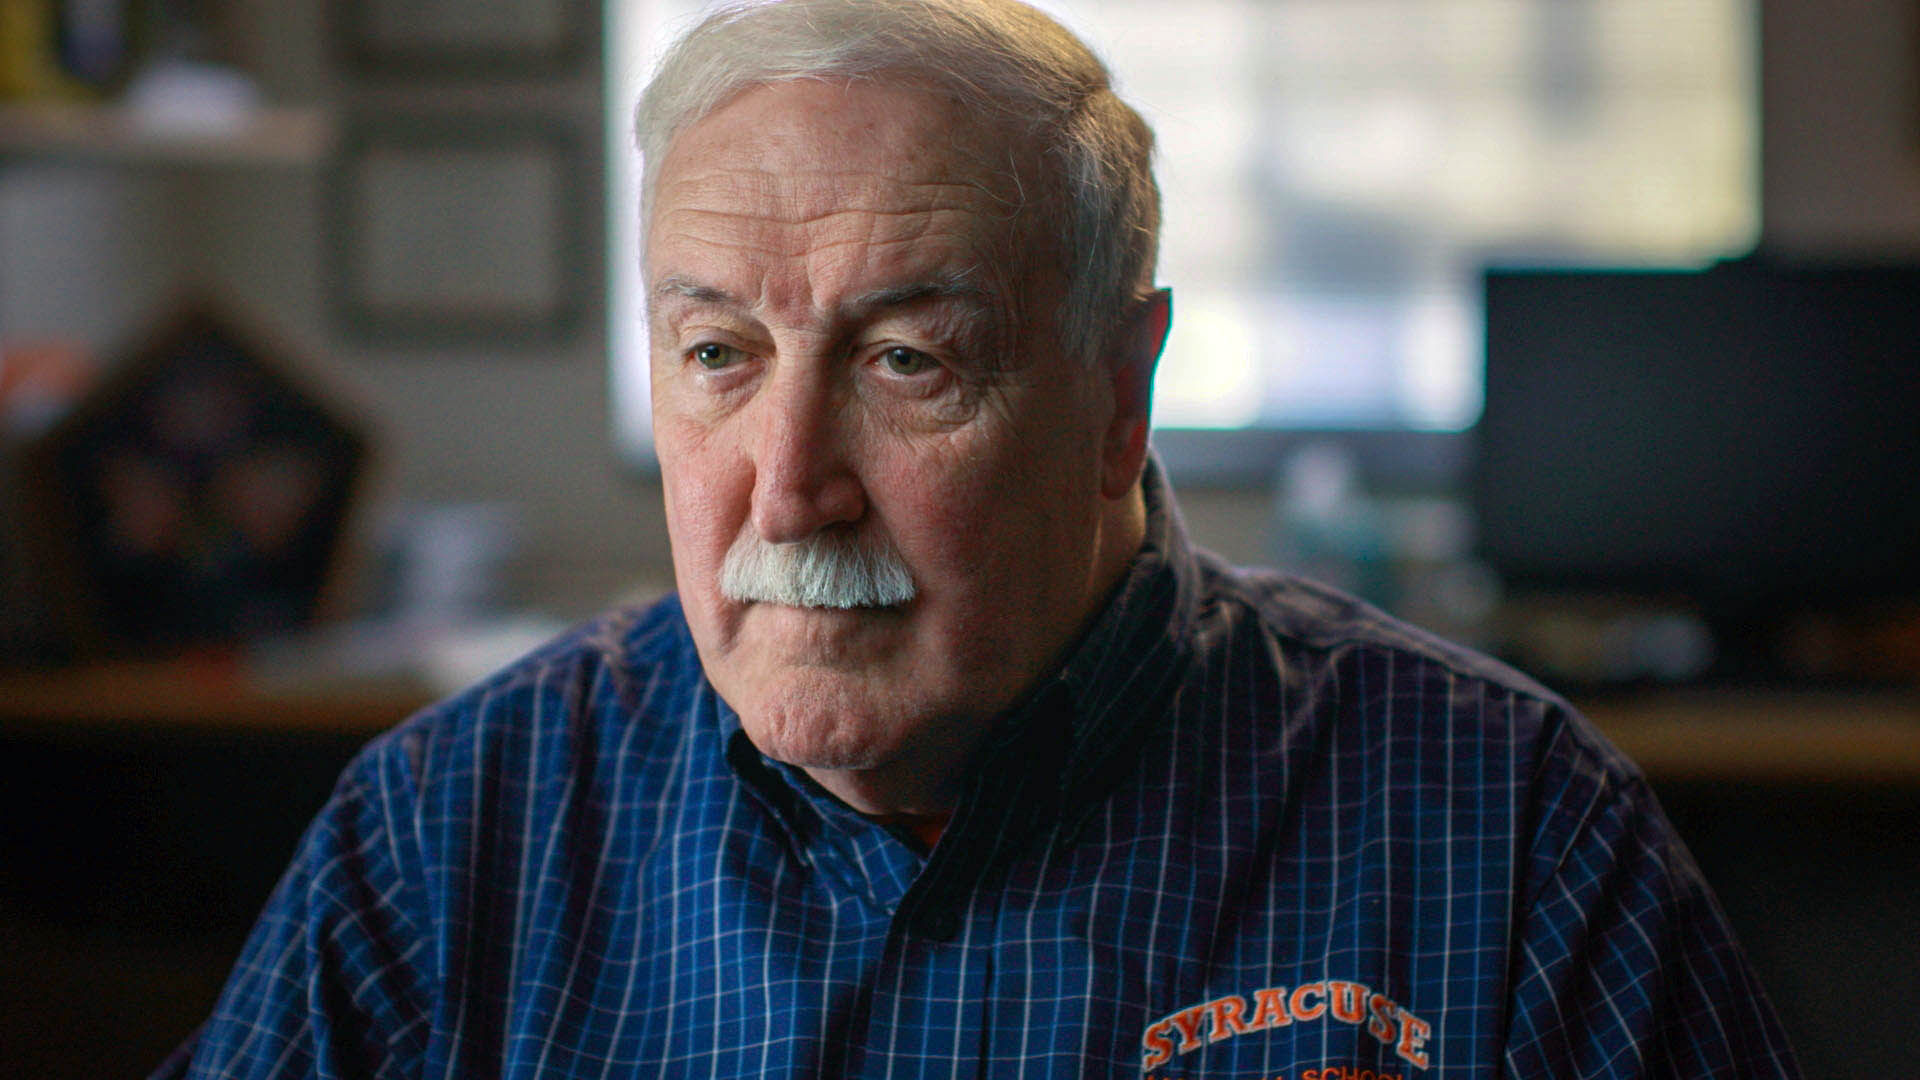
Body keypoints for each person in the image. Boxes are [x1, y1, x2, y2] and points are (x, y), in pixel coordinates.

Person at [157, 0, 1800, 1076]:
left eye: (907, 362)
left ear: (1118, 396)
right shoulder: (455, 831)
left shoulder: (1509, 836)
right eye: (720, 353)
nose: (788, 489)